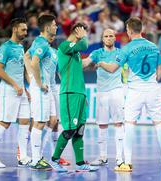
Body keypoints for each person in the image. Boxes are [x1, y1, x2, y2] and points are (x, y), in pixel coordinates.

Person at [98, 17, 161, 172]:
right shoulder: (154, 47)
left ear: (130, 31)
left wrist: (101, 63)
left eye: (126, 29)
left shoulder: (127, 48)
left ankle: (128, 163)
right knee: (159, 124)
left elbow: (112, 68)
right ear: (142, 29)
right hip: (153, 89)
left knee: (130, 124)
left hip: (135, 91)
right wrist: (151, 81)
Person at [50, 22, 98, 172]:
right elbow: (84, 45)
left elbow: (80, 64)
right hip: (69, 94)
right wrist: (83, 37)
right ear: (77, 31)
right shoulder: (64, 46)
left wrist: (83, 95)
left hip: (79, 95)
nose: (86, 36)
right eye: (84, 32)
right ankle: (54, 160)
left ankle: (80, 163)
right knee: (70, 129)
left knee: (79, 130)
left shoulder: (75, 53)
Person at [0, 18, 31, 168]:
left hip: (21, 90)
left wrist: (25, 88)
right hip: (9, 90)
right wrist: (14, 84)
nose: (26, 32)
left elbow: (21, 70)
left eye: (26, 29)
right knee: (4, 123)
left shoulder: (20, 47)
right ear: (15, 29)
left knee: (25, 121)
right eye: (23, 29)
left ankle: (23, 156)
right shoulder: (5, 48)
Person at [83, 28, 124, 166]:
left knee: (119, 123)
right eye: (106, 36)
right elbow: (85, 62)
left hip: (116, 90)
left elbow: (113, 68)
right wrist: (72, 59)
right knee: (102, 125)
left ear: (115, 38)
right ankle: (102, 157)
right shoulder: (96, 53)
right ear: (102, 39)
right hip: (101, 92)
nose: (108, 38)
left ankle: (119, 158)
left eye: (111, 36)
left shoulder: (120, 53)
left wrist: (100, 64)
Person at [25, 14, 57, 171]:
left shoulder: (40, 42)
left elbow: (26, 57)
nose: (56, 27)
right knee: (39, 122)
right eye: (54, 24)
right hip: (41, 88)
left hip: (44, 87)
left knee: (47, 121)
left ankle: (38, 156)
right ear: (47, 27)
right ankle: (35, 160)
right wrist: (37, 82)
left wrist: (31, 78)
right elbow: (34, 61)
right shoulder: (42, 43)